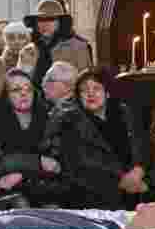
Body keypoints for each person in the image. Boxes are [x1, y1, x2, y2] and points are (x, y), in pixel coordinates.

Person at [59, 67, 148, 209]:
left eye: (96, 88)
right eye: (84, 90)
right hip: (94, 199)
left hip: (137, 190)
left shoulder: (125, 114)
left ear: (107, 93)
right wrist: (121, 181)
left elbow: (143, 146)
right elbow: (79, 166)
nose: (90, 94)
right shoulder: (70, 122)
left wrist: (139, 169)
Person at [0, 69, 65, 208]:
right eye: (16, 90)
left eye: (28, 89)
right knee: (20, 204)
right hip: (6, 189)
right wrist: (37, 162)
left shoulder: (49, 120)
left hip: (43, 186)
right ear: (6, 95)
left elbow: (55, 165)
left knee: (53, 207)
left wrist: (22, 173)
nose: (24, 93)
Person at [25, 0, 93, 86]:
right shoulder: (29, 49)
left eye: (51, 19)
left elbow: (85, 81)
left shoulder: (79, 47)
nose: (45, 24)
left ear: (61, 22)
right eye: (40, 19)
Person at [0, 22, 30, 97]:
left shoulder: (35, 63)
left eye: (21, 37)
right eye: (11, 38)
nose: (16, 42)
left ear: (27, 40)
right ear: (5, 41)